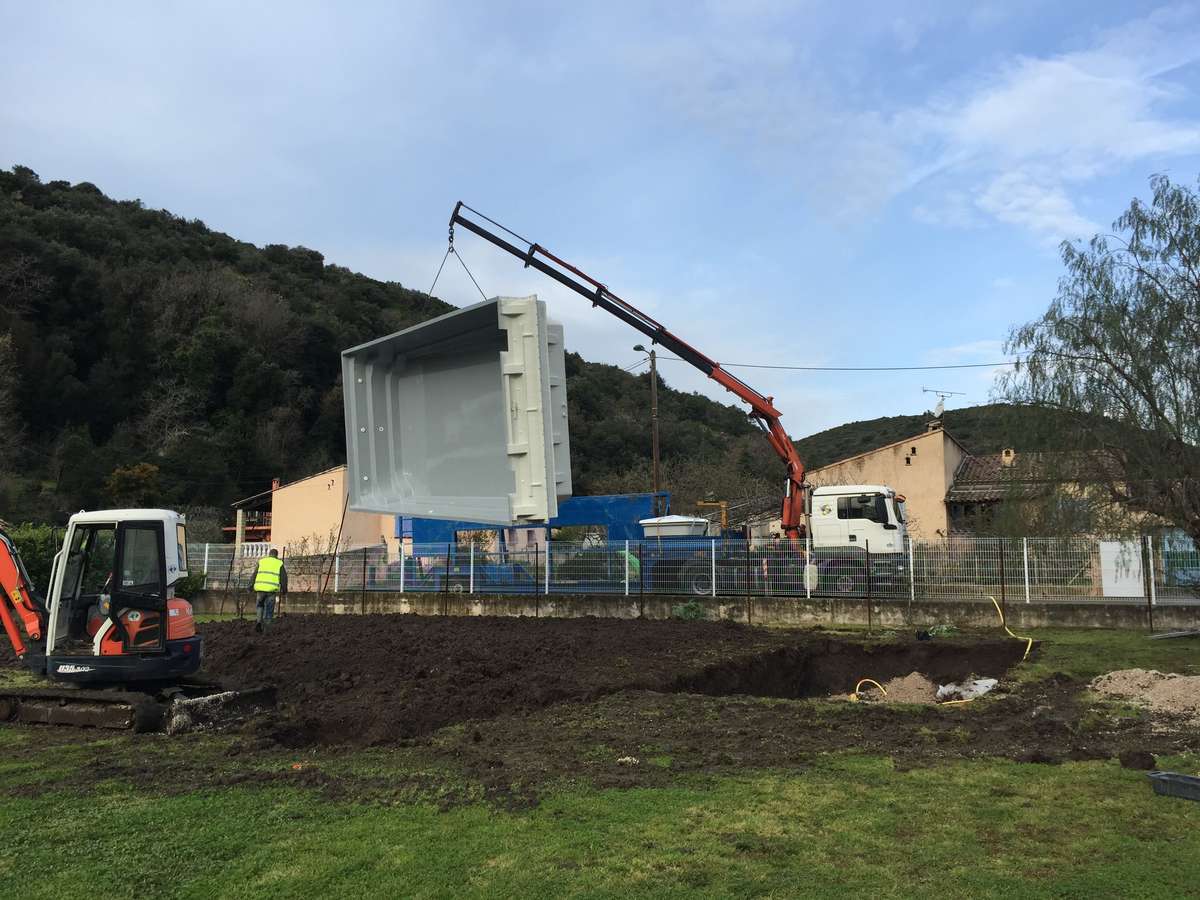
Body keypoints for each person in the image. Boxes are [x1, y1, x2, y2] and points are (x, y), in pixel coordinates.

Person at [251, 549, 287, 633]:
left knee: (260, 606)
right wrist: (284, 589)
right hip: (271, 591)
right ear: (276, 555)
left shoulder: (262, 561)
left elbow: (254, 574)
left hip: (260, 589)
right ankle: (266, 629)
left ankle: (259, 622)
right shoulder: (279, 563)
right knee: (269, 609)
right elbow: (284, 578)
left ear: (269, 554)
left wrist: (250, 586)